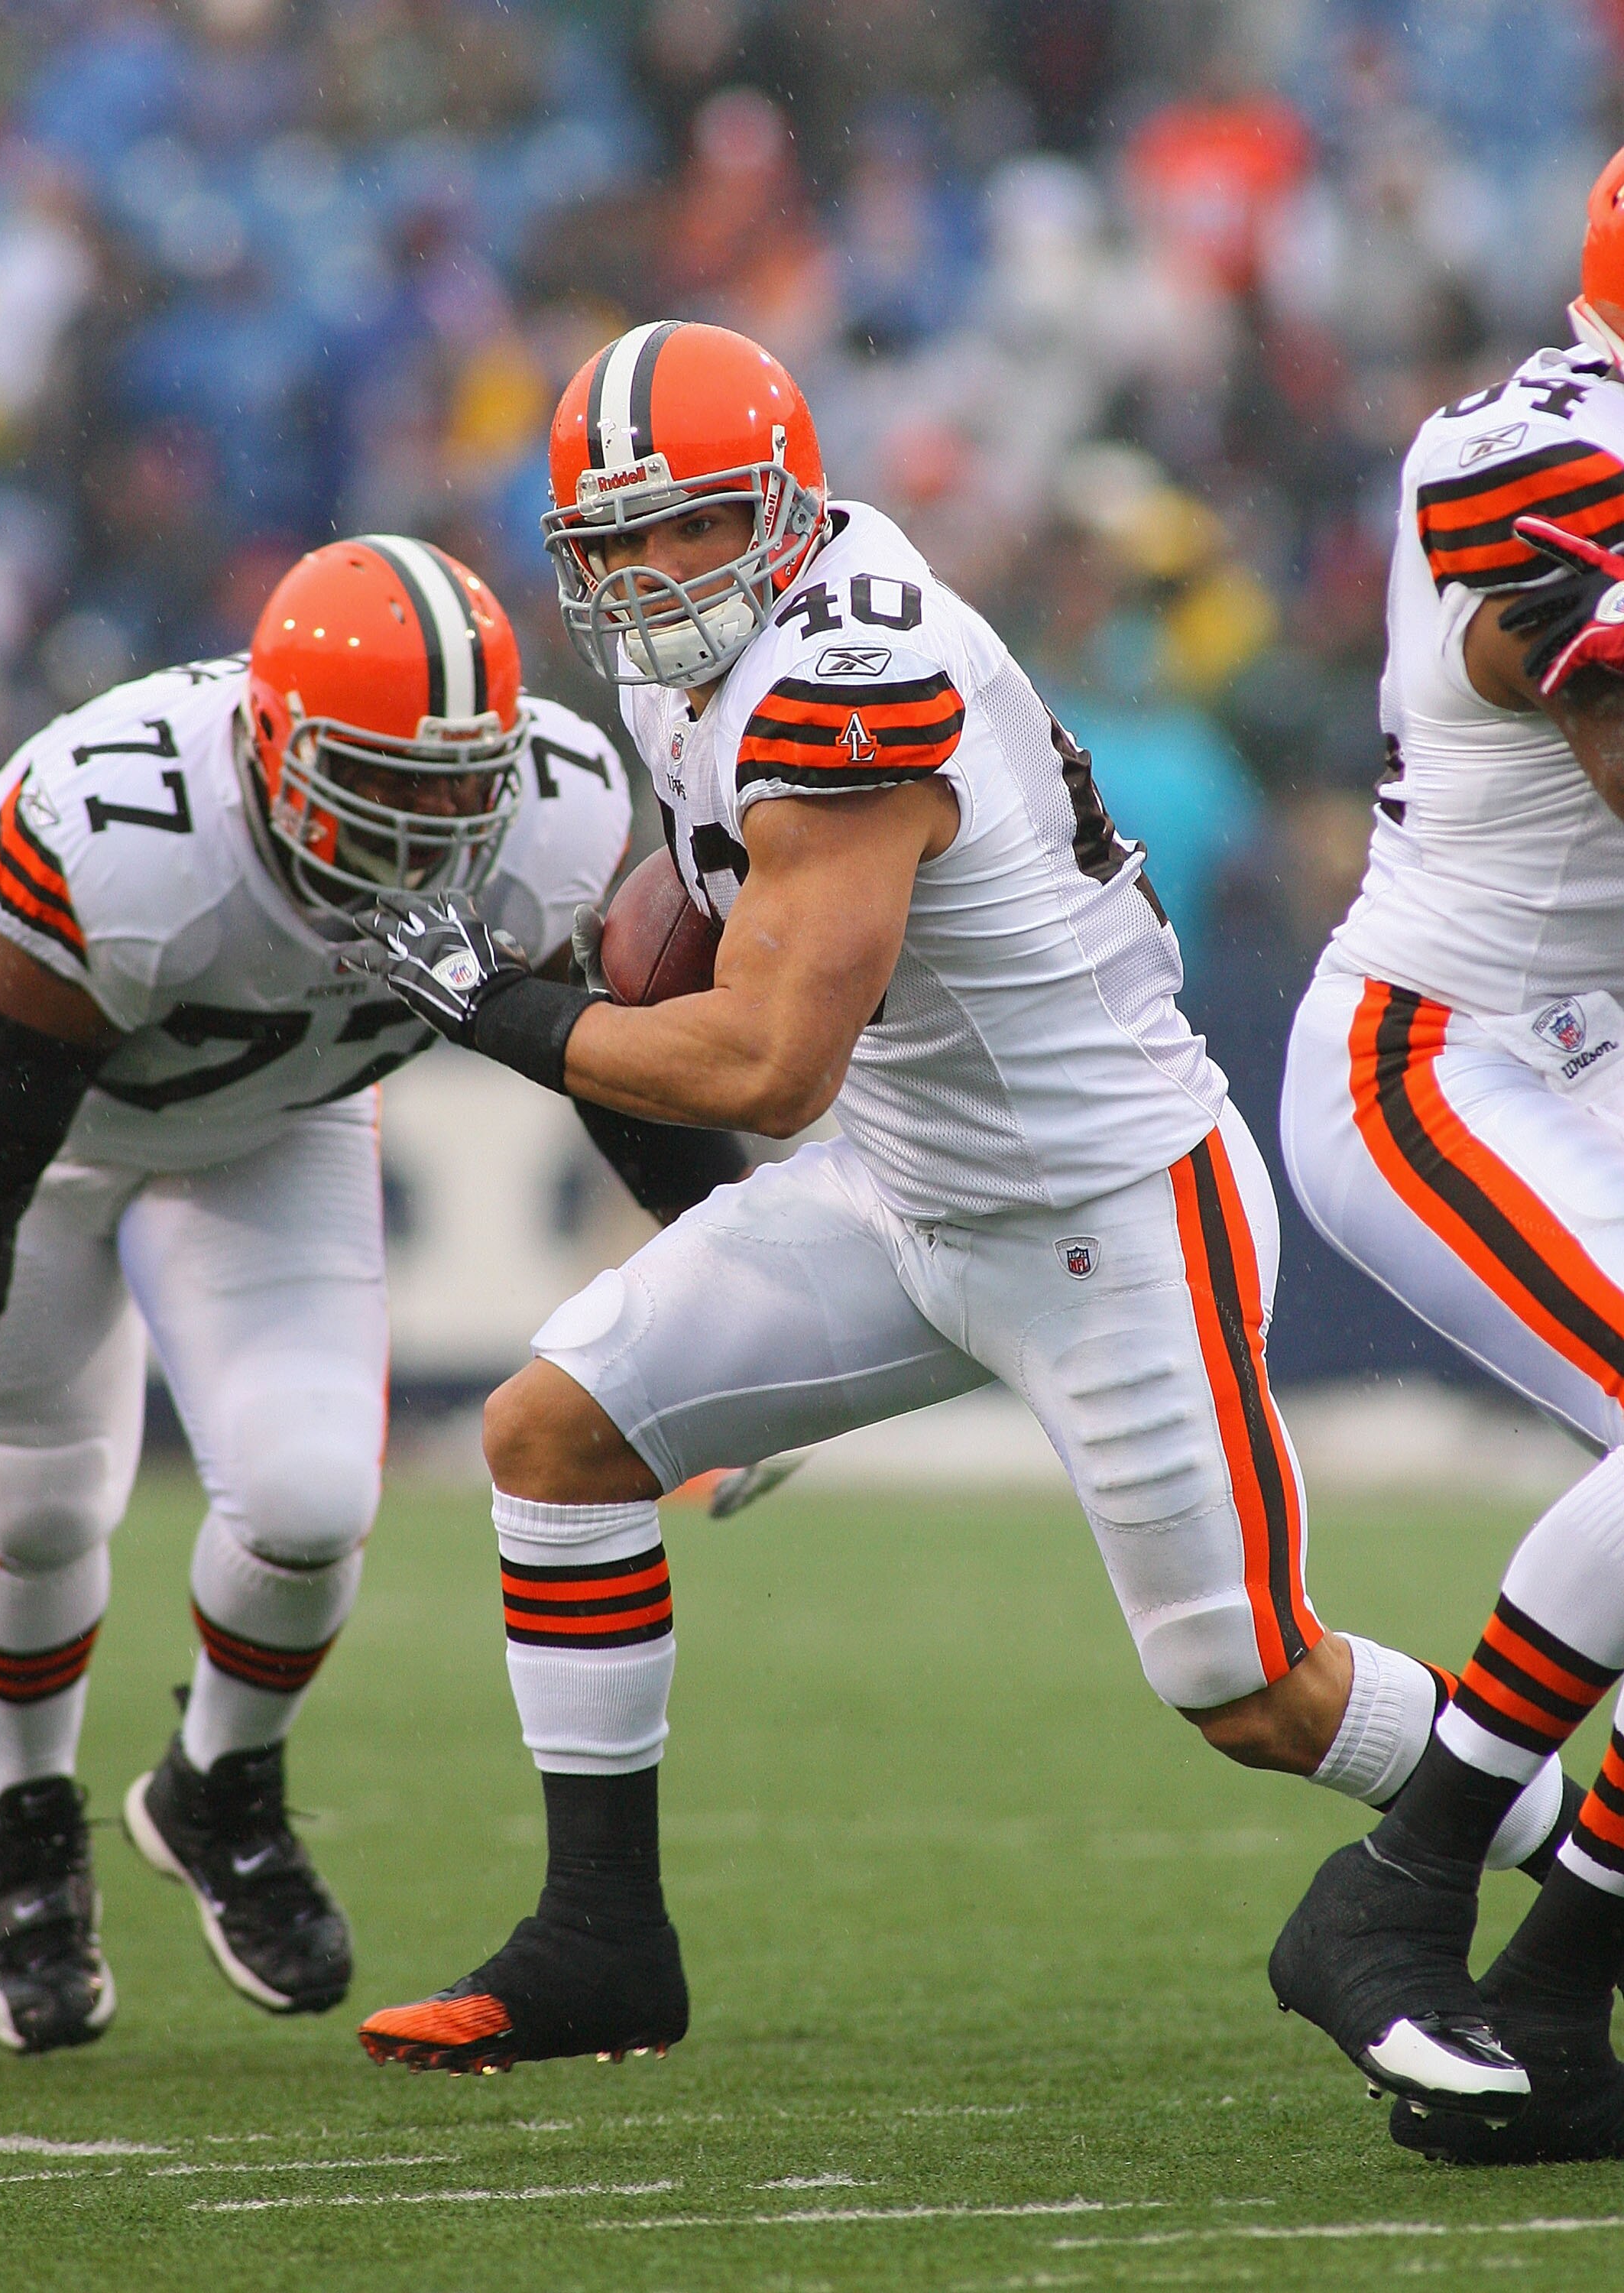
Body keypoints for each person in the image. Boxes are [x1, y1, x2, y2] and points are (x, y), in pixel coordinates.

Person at [348, 322, 1569, 2080]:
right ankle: (597, 1944)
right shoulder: (700, 662)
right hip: (902, 1189)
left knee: (1253, 1690)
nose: (646, 574)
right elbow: (724, 901)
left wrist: (510, 1010)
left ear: (779, 508)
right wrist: (603, 975)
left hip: (1104, 1206)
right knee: (554, 1436)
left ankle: (1585, 1864)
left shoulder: (853, 667)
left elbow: (771, 1066)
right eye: (611, 541)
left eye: (688, 526)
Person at [0, 532, 749, 2055]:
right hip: (59, 1149)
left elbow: (591, 1060)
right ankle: (25, 1828)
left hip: (282, 1134)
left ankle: (217, 1788)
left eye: (452, 787)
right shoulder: (116, 831)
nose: (418, 829)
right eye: (377, 782)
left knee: (308, 1496)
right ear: (270, 745)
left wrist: (739, 1261)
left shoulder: (557, 807)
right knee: (34, 1511)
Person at [1267, 147, 1624, 2162]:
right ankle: (1397, 1882)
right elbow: (1608, 722)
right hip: (1447, 1054)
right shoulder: (1536, 440)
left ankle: (1557, 1996)